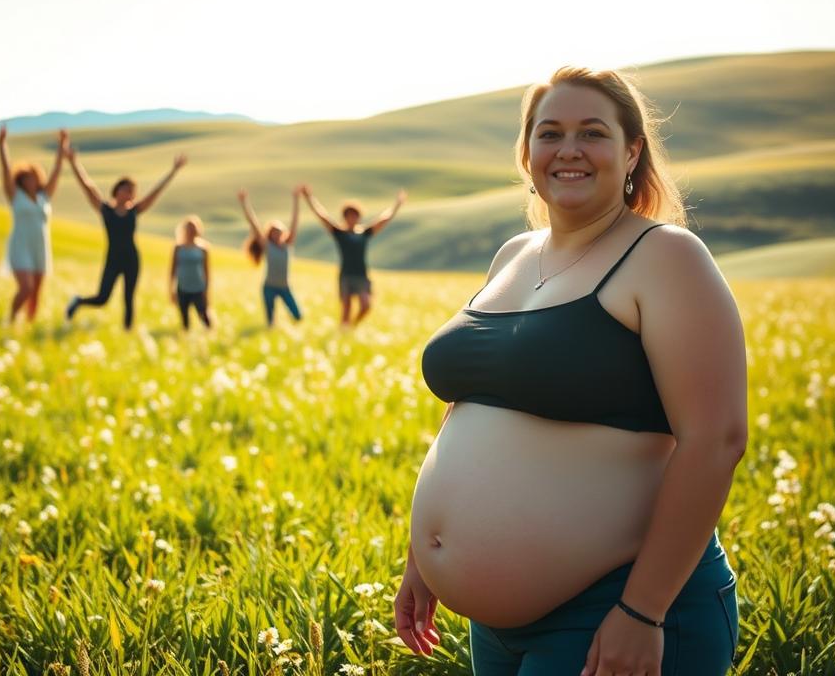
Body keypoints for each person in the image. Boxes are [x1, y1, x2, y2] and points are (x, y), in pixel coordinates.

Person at [399, 67, 748, 676]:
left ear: (631, 150)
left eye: (592, 133)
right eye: (550, 132)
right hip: (496, 630)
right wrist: (421, 561)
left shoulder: (665, 256)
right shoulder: (514, 254)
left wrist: (642, 612)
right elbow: (477, 401)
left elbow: (716, 440)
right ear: (527, 150)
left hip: (613, 613)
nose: (568, 150)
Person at [65, 149, 189, 329]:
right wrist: (73, 163)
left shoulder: (134, 211)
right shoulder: (105, 209)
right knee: (102, 298)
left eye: (132, 191)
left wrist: (173, 171)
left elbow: (155, 192)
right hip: (113, 258)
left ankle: (127, 331)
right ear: (117, 191)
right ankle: (78, 301)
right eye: (126, 189)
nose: (129, 193)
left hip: (131, 259)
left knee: (129, 298)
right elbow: (87, 186)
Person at [302, 186, 406, 326]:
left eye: (354, 215)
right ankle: (344, 332)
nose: (352, 218)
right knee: (346, 309)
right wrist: (309, 198)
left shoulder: (365, 233)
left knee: (366, 305)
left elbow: (383, 220)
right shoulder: (339, 233)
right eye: (349, 215)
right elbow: (322, 216)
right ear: (344, 217)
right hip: (346, 275)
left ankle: (353, 325)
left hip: (361, 275)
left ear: (359, 217)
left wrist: (397, 205)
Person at [0, 124, 65, 322]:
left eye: (33, 178)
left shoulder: (44, 196)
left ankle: (29, 323)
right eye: (26, 178)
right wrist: (2, 145)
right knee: (26, 288)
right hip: (20, 244)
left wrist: (62, 147)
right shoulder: (15, 196)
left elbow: (57, 171)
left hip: (40, 245)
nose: (30, 181)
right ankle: (11, 318)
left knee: (36, 290)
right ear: (20, 180)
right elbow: (5, 169)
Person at [237, 186, 303, 327]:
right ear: (270, 234)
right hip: (269, 287)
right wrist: (244, 203)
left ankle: (291, 329)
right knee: (270, 322)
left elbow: (295, 222)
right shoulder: (267, 246)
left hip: (285, 287)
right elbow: (253, 223)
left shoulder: (288, 245)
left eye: (279, 231)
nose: (277, 234)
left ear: (283, 233)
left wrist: (296, 199)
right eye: (274, 232)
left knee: (298, 316)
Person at [169, 215, 213, 330]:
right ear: (184, 230)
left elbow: (206, 270)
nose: (191, 231)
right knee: (184, 319)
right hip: (182, 287)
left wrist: (206, 290)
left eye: (193, 228)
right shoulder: (178, 248)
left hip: (198, 287)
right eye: (189, 228)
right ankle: (186, 338)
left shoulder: (203, 248)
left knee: (204, 316)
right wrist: (171, 289)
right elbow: (172, 269)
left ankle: (210, 335)